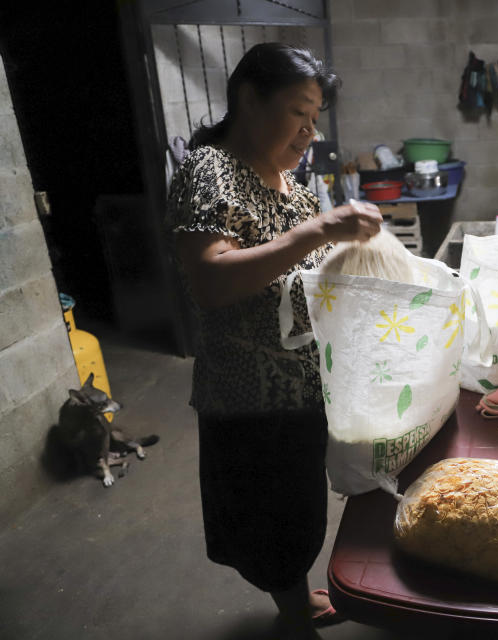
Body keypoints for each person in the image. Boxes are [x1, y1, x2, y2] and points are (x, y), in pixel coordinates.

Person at [165, 43, 381, 639]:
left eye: (315, 119)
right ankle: (291, 609)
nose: (310, 131)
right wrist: (317, 231)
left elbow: (314, 265)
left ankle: (290, 589)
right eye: (298, 113)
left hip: (303, 385)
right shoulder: (209, 171)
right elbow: (210, 280)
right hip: (249, 391)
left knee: (299, 503)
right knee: (268, 516)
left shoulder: (289, 180)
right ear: (249, 98)